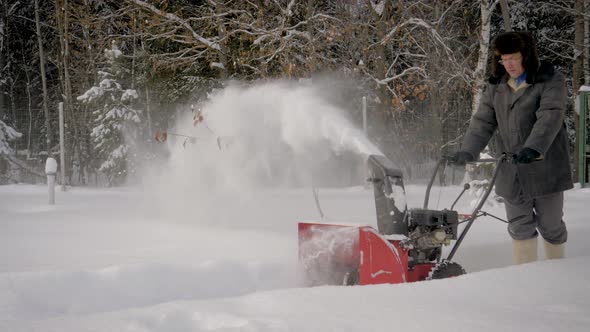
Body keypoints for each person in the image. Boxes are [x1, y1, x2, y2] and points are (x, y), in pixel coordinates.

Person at [452, 31, 573, 265]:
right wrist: (469, 150)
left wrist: (534, 148)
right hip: (511, 169)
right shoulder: (497, 86)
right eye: (503, 59)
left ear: (526, 56)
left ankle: (556, 273)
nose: (509, 65)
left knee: (551, 225)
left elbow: (550, 116)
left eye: (513, 58)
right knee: (519, 225)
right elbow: (483, 121)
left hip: (545, 166)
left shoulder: (550, 80)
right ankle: (525, 277)